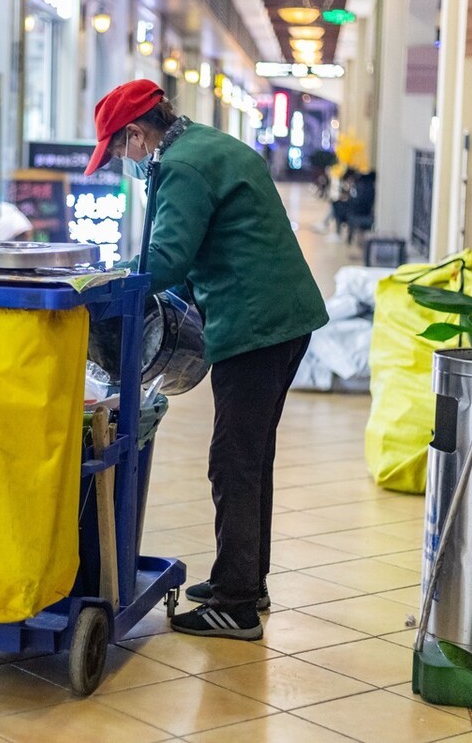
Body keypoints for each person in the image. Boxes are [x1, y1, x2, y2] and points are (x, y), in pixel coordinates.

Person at [84, 80, 329, 640]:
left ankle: (237, 603)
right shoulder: (206, 145)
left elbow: (165, 260)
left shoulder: (182, 168)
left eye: (120, 152)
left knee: (233, 459)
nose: (124, 162)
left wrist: (104, 281)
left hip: (257, 325)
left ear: (137, 134)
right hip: (282, 319)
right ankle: (245, 579)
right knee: (251, 454)